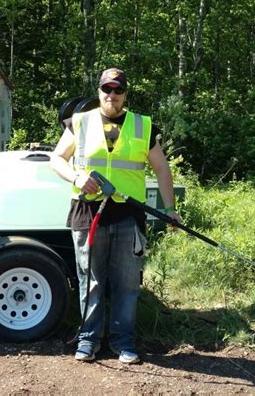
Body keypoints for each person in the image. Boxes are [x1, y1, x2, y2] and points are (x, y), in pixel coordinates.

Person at [50, 68, 181, 364]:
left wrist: (170, 209)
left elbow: (162, 168)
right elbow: (56, 159)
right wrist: (76, 178)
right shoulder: (80, 122)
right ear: (98, 92)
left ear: (125, 94)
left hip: (128, 214)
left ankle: (124, 343)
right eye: (107, 89)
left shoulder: (143, 126)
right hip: (88, 213)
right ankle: (88, 341)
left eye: (118, 90)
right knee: (91, 281)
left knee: (127, 284)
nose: (112, 95)